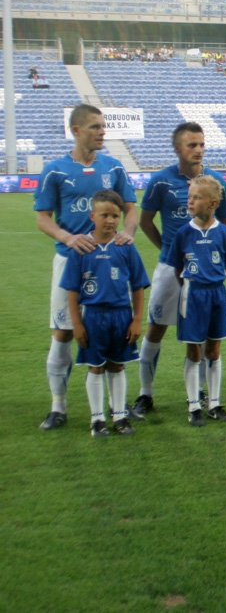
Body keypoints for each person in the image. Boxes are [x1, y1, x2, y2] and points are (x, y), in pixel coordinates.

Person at [35, 104, 138, 431]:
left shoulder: (114, 167)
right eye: (95, 126)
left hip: (110, 262)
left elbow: (131, 210)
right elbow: (42, 218)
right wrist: (68, 237)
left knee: (114, 326)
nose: (102, 132)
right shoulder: (55, 170)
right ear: (76, 130)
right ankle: (58, 406)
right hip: (71, 260)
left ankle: (115, 409)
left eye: (103, 126)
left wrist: (127, 233)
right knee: (64, 331)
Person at [134, 123, 226, 416]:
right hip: (170, 268)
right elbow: (145, 221)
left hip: (204, 275)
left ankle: (202, 395)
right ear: (178, 148)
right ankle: (145, 394)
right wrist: (167, 249)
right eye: (192, 145)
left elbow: (222, 225)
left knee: (204, 336)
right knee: (155, 330)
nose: (199, 150)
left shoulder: (215, 181)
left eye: (202, 144)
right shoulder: (161, 181)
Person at [60, 190, 149, 437]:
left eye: (115, 215)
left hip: (122, 316)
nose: (110, 220)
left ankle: (119, 416)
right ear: (92, 215)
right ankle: (97, 419)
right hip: (93, 317)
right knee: (95, 367)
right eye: (104, 215)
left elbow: (138, 286)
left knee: (117, 366)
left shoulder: (126, 247)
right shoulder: (81, 248)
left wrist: (137, 320)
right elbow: (72, 292)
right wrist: (76, 324)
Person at [168, 176, 226, 426]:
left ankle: (215, 403)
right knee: (193, 349)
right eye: (189, 197)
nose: (190, 201)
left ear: (212, 203)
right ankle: (194, 405)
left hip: (217, 294)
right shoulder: (183, 233)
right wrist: (193, 285)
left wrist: (213, 281)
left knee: (214, 349)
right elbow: (177, 268)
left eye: (196, 198)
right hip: (193, 294)